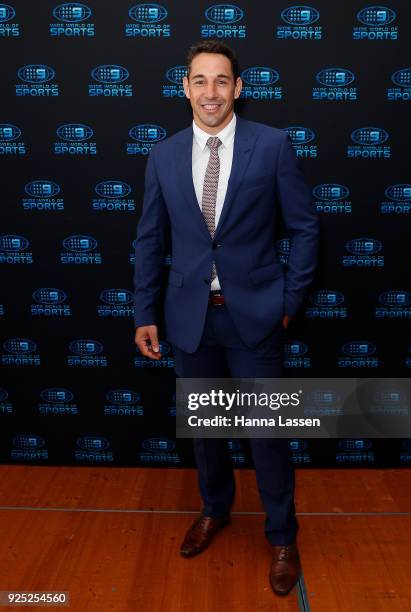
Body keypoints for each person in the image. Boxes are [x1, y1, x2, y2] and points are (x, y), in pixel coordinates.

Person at [133, 40, 319, 597]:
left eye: (221, 81)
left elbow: (306, 228)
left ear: (238, 88)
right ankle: (215, 510)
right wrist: (145, 311)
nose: (210, 92)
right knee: (207, 432)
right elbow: (149, 239)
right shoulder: (163, 155)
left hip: (256, 318)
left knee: (267, 434)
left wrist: (289, 303)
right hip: (190, 320)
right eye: (199, 80)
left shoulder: (274, 146)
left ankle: (283, 536)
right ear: (184, 88)